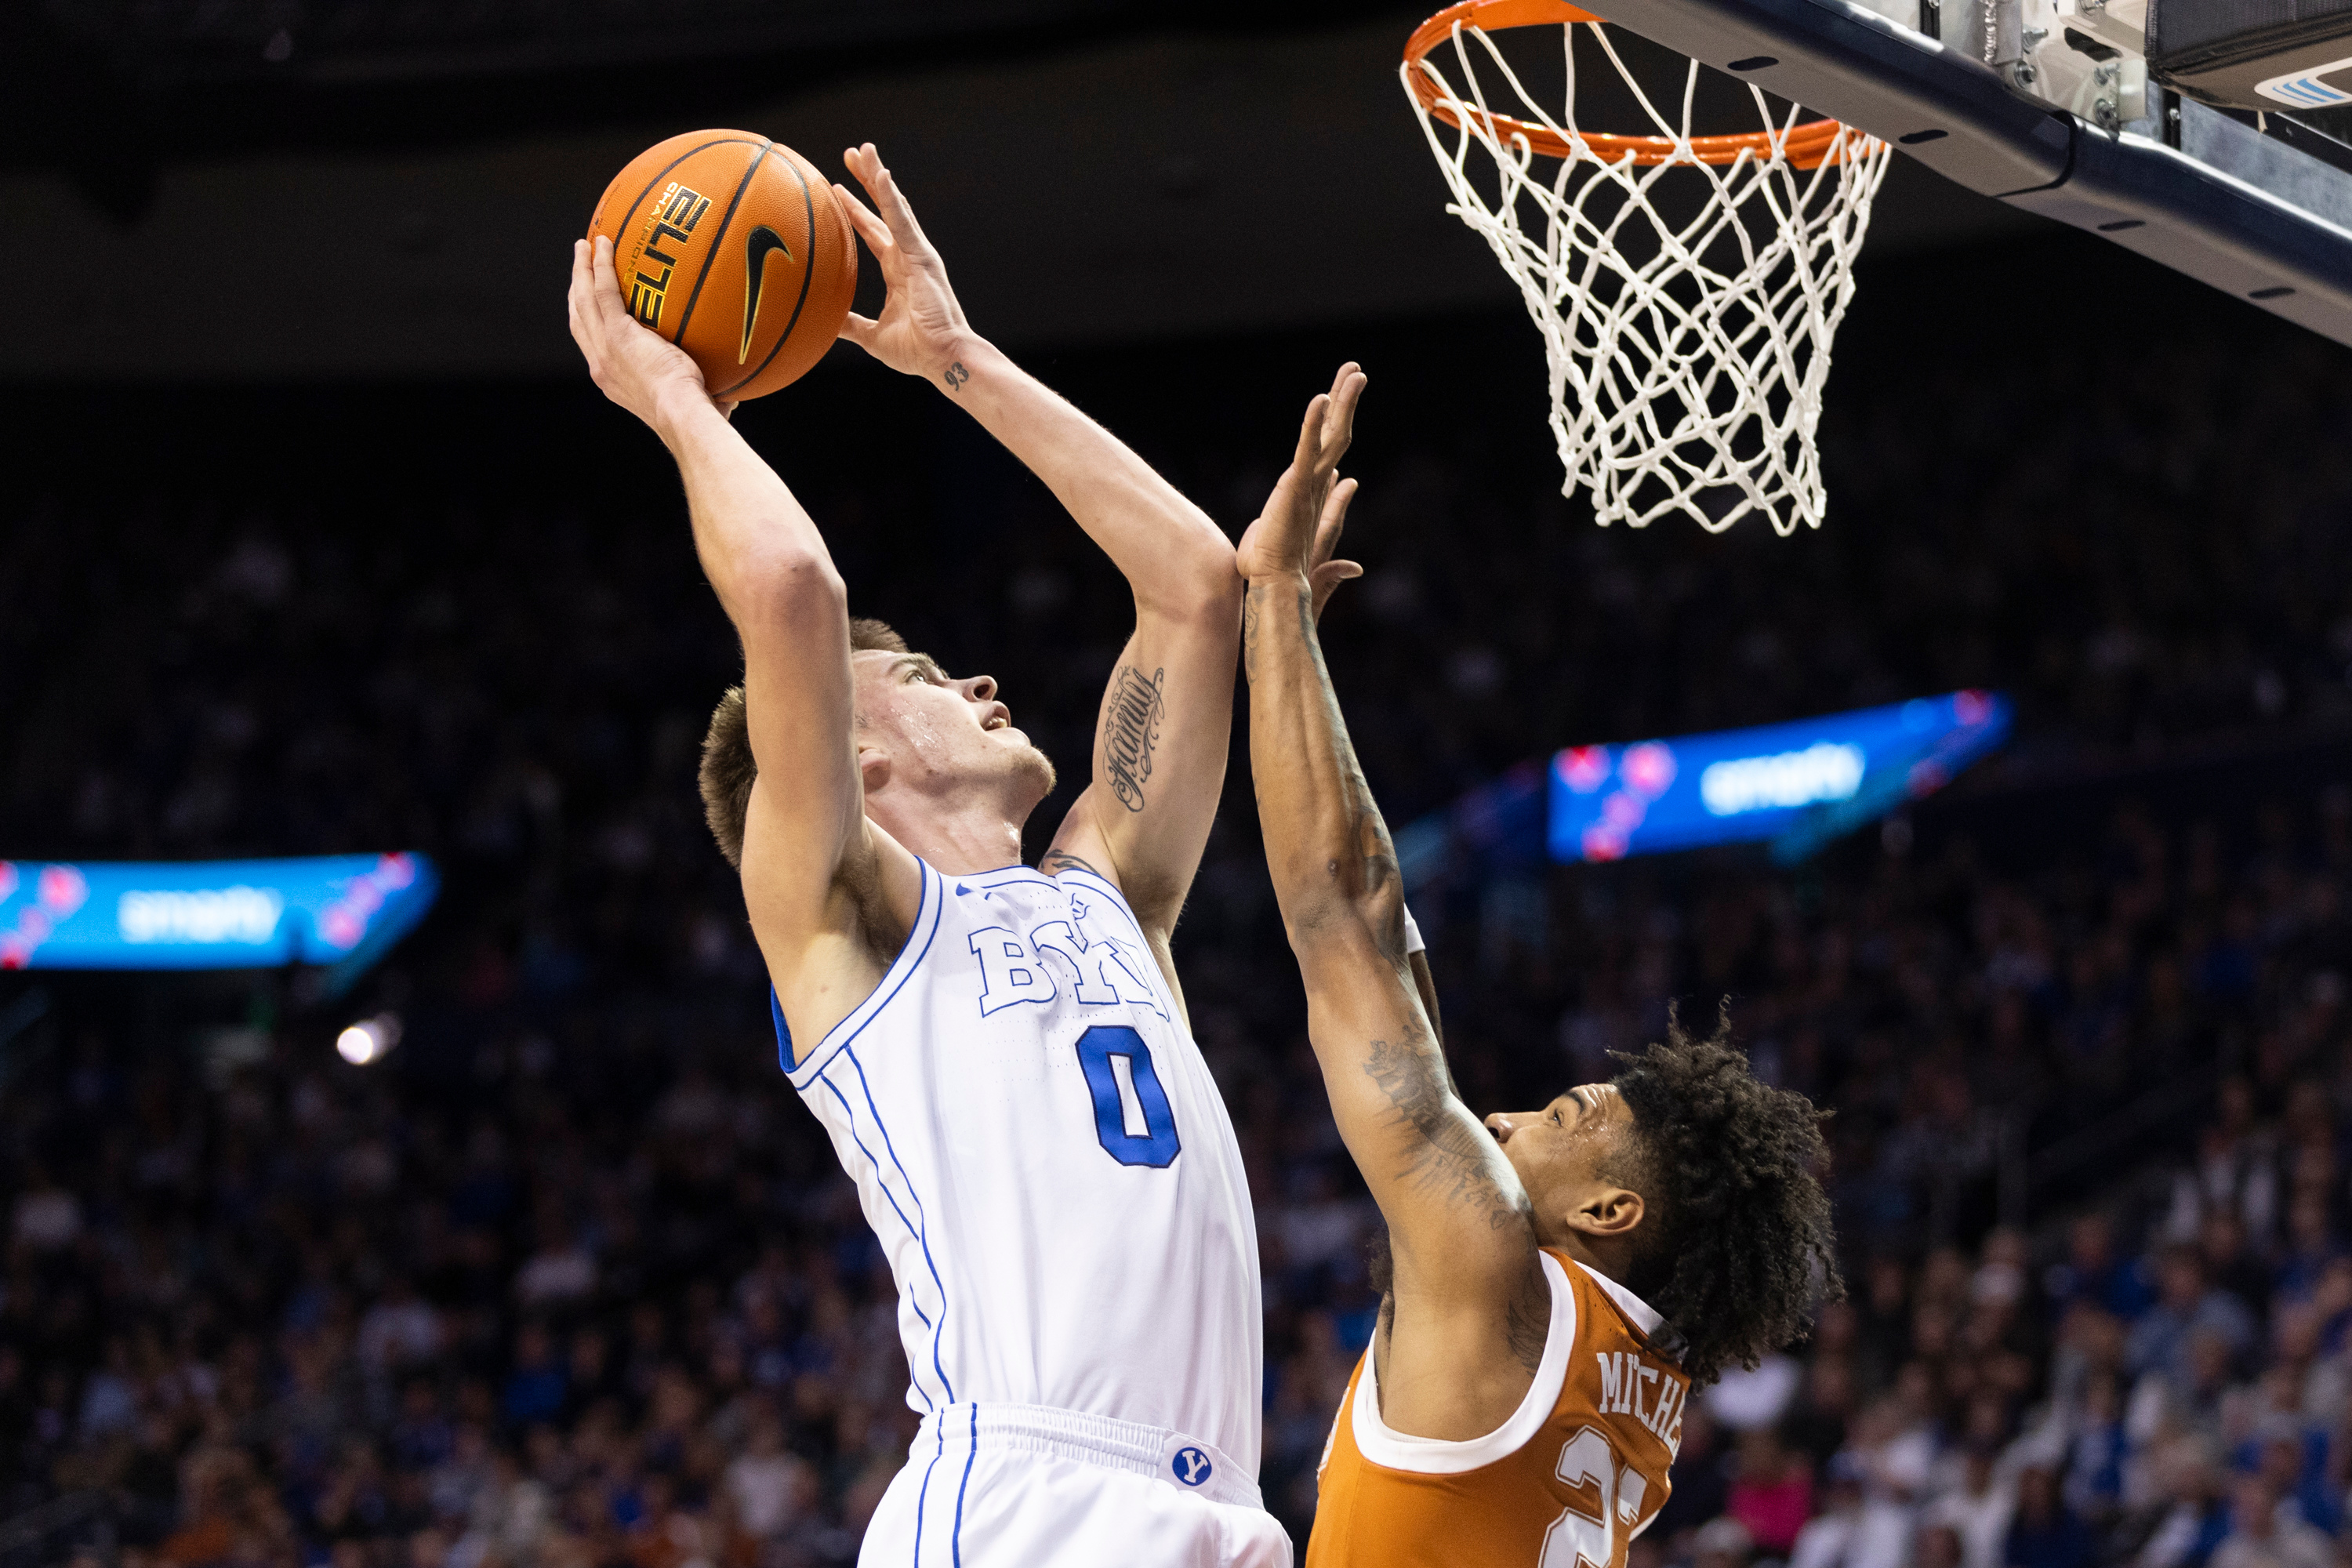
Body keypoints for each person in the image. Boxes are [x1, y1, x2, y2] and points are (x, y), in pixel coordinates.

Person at [565, 143, 1283, 1565]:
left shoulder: (1109, 895)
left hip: (1220, 1513)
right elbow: (790, 588)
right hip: (1025, 1496)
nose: (990, 688)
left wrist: (957, 358)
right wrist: (671, 399)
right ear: (856, 758)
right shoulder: (849, 923)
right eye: (936, 677)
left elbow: (1200, 590)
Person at [1234, 368, 1842, 1565]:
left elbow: (1345, 916)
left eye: (1566, 1114)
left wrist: (1273, 604)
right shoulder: (1639, 1399)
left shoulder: (1497, 1282)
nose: (1506, 1117)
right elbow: (1408, 1017)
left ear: (1613, 1210)